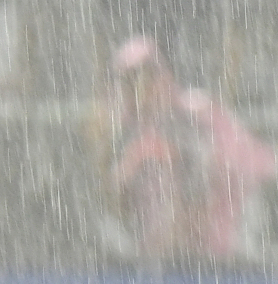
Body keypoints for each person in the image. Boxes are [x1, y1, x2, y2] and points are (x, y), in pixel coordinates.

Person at [107, 37, 275, 258]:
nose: (140, 89)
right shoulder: (130, 132)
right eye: (129, 81)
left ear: (161, 75)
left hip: (223, 248)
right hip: (162, 257)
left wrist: (179, 157)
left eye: (146, 77)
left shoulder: (197, 112)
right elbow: (114, 197)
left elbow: (238, 164)